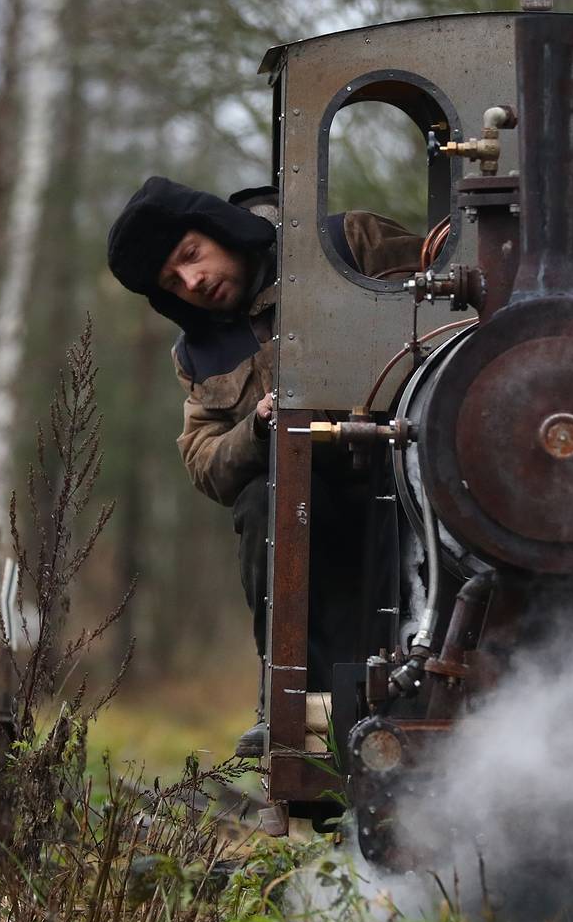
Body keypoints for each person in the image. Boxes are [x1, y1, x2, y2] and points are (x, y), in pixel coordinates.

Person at [106, 176, 424, 755]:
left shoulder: (347, 242)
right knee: (264, 499)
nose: (193, 282)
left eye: (190, 256)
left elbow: (456, 323)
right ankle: (295, 705)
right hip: (314, 509)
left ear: (219, 228)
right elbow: (204, 459)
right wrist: (257, 426)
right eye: (172, 282)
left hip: (415, 478)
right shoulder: (197, 354)